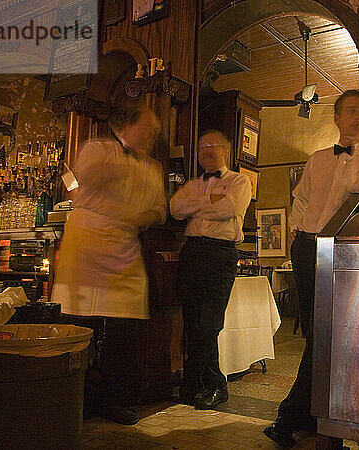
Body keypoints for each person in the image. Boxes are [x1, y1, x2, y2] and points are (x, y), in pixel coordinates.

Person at [263, 90, 359, 448]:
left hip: (342, 249)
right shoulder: (317, 158)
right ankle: (317, 418)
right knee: (317, 335)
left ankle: (300, 417)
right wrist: (296, 230)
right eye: (350, 111)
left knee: (333, 335)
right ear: (335, 118)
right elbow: (301, 197)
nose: (358, 117)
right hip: (307, 246)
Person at [52, 95, 167, 425]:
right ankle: (73, 396)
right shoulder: (97, 149)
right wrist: (121, 166)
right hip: (87, 243)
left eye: (156, 132)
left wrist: (147, 214)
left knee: (124, 328)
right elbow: (79, 176)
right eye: (148, 128)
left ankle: (117, 399)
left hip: (125, 246)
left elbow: (160, 207)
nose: (152, 136)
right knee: (79, 323)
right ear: (126, 126)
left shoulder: (153, 167)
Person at [170, 130, 251, 410]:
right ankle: (210, 384)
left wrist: (196, 207)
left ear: (225, 150)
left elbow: (228, 208)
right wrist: (209, 202)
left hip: (220, 255)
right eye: (201, 146)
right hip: (191, 252)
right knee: (193, 324)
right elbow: (175, 208)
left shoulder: (240, 181)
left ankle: (201, 382)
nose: (205, 150)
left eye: (211, 146)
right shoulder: (192, 183)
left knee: (209, 324)